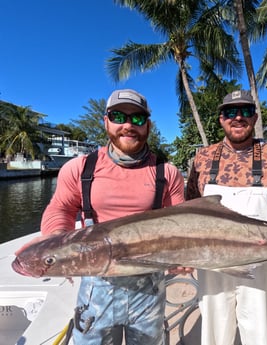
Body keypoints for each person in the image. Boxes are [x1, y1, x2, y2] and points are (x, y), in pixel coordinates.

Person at [40, 89, 185, 344]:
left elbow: (182, 225)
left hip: (148, 288)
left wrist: (183, 255)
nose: (129, 125)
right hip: (96, 287)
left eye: (138, 119)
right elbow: (61, 208)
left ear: (148, 125)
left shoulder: (168, 172)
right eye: (119, 116)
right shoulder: (79, 168)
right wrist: (56, 241)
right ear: (106, 121)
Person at [185, 90, 267, 345]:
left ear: (255, 117)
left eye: (245, 111)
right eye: (230, 112)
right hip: (212, 262)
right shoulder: (202, 159)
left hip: (264, 262)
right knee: (213, 333)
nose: (238, 117)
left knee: (260, 334)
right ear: (220, 118)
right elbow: (190, 207)